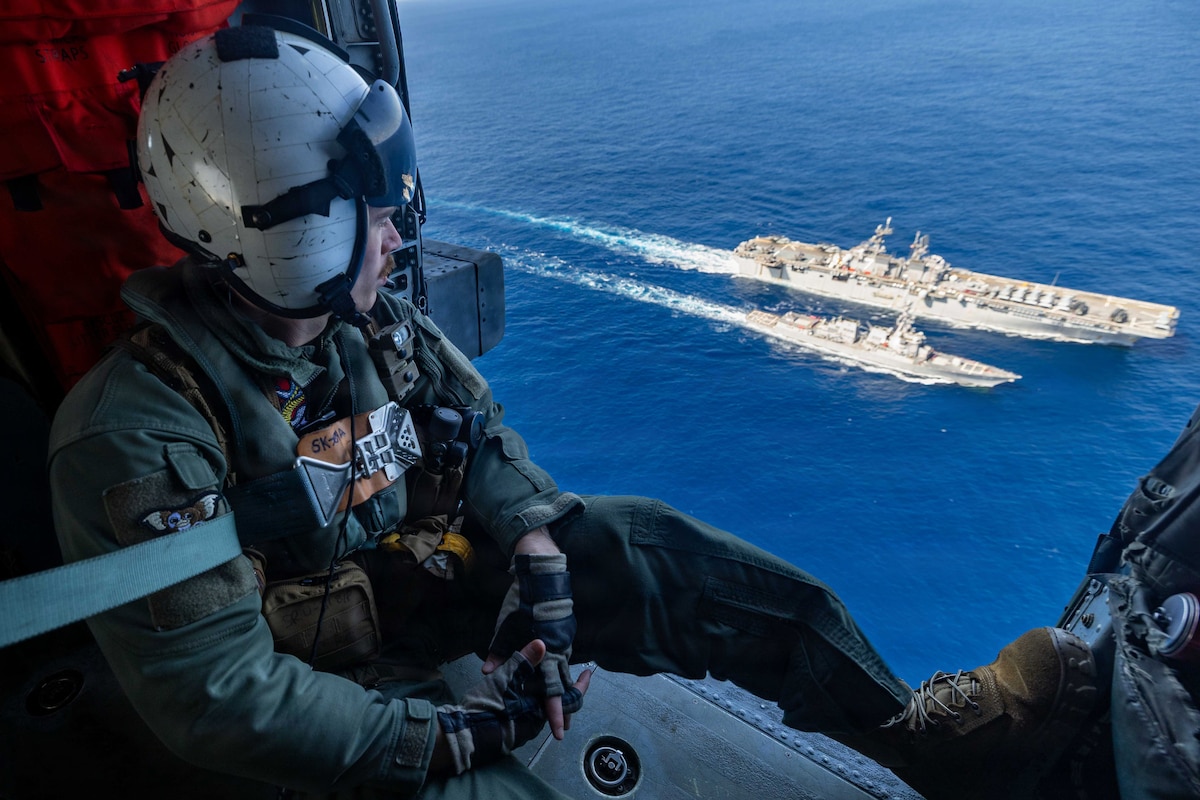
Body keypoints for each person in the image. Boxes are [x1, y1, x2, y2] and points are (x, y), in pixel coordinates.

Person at [46, 22, 1097, 800]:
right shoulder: (136, 437)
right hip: (307, 694)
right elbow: (220, 692)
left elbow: (473, 424)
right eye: (364, 214)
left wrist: (539, 546)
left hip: (419, 590)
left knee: (655, 547)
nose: (393, 237)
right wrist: (441, 736)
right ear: (275, 233)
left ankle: (920, 736)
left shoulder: (355, 324)